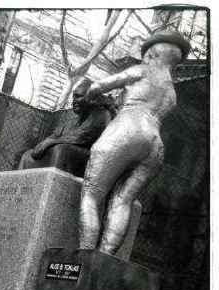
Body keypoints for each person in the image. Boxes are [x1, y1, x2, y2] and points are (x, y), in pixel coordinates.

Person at [79, 30, 190, 255]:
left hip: (126, 130)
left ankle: (85, 256)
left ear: (152, 54)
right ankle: (104, 259)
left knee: (91, 194)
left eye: (147, 53)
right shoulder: (171, 93)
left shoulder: (142, 70)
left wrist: (90, 97)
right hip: (155, 146)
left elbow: (98, 87)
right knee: (123, 201)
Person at [26, 78, 116, 161]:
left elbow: (81, 136)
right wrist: (47, 141)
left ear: (92, 98)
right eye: (73, 97)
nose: (74, 100)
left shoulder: (102, 114)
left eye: (78, 96)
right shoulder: (74, 119)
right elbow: (56, 135)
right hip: (70, 155)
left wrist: (50, 142)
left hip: (91, 159)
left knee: (62, 149)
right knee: (27, 155)